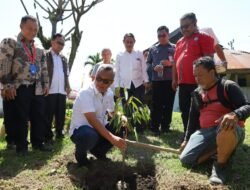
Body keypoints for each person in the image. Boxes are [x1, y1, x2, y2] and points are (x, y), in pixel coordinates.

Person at [179, 57, 250, 185]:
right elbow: (193, 119)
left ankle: (220, 166)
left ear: (212, 73)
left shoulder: (228, 86)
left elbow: (247, 106)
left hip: (228, 129)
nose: (197, 79)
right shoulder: (196, 93)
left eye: (200, 75)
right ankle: (222, 150)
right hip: (205, 133)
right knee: (186, 159)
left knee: (225, 126)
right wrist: (186, 139)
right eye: (195, 76)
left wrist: (235, 114)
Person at [0, 15, 50, 155]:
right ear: (21, 27)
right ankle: (21, 147)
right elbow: (3, 64)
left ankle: (38, 143)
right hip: (20, 86)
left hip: (37, 87)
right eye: (30, 28)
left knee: (38, 116)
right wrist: (7, 85)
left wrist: (45, 83)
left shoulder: (38, 47)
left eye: (36, 29)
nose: (33, 32)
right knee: (20, 118)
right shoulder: (10, 42)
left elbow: (44, 67)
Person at [69, 65, 126, 166]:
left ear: (111, 82)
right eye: (98, 78)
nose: (100, 83)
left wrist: (122, 118)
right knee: (89, 135)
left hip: (98, 129)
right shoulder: (86, 92)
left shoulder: (109, 93)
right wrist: (113, 138)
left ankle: (99, 152)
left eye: (105, 81)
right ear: (95, 76)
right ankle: (81, 157)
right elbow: (92, 120)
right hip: (81, 131)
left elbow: (112, 112)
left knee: (120, 127)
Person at [173, 13, 215, 141]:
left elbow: (209, 60)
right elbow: (175, 62)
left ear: (195, 23)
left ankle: (200, 135)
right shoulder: (179, 41)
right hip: (182, 82)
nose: (184, 29)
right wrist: (174, 79)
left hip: (198, 83)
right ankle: (187, 133)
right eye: (182, 27)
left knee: (199, 109)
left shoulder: (204, 38)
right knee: (184, 109)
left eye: (187, 26)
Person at [147, 26, 176, 135]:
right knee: (156, 104)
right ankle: (154, 127)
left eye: (163, 35)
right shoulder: (153, 49)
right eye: (159, 36)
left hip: (170, 80)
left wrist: (170, 64)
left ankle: (165, 127)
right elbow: (148, 63)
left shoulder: (175, 48)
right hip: (157, 80)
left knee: (168, 104)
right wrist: (154, 68)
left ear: (168, 35)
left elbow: (178, 63)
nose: (161, 38)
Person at [45, 33, 71, 142]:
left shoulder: (64, 58)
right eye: (59, 42)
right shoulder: (45, 55)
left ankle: (59, 132)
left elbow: (66, 74)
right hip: (50, 90)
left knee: (61, 113)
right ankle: (47, 135)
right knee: (48, 114)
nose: (61, 45)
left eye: (63, 44)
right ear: (52, 42)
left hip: (62, 90)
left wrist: (68, 86)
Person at [114, 33, 149, 103]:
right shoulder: (119, 55)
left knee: (139, 107)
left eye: (131, 42)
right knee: (126, 108)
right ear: (123, 42)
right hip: (124, 86)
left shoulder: (139, 53)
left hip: (138, 85)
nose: (129, 44)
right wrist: (116, 86)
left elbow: (144, 68)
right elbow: (117, 71)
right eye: (127, 42)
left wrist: (146, 81)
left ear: (134, 42)